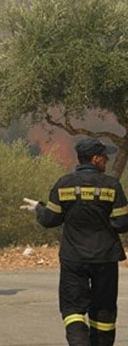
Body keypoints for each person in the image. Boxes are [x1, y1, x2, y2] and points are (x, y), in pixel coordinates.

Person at [26, 137, 128, 346]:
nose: (107, 161)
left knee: (72, 309)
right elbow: (122, 223)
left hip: (73, 258)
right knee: (104, 308)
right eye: (104, 157)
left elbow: (50, 220)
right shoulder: (112, 186)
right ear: (95, 159)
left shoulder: (63, 185)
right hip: (104, 258)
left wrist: (39, 208)